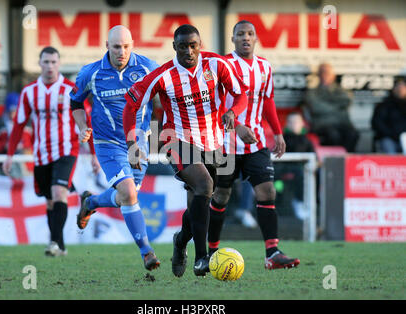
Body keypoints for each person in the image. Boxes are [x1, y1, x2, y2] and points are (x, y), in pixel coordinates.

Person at [123, 24, 249, 277]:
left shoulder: (217, 65)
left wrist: (233, 112)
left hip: (213, 142)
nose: (189, 51)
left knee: (199, 202)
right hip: (175, 139)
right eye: (183, 46)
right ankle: (203, 258)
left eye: (193, 46)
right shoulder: (163, 75)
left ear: (200, 45)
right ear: (174, 47)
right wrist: (132, 144)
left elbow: (241, 93)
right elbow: (131, 105)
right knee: (204, 185)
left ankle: (180, 241)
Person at [206, 20, 300, 270]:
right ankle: (211, 252)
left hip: (255, 143)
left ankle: (272, 252)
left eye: (250, 34)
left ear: (256, 38)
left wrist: (278, 133)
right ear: (233, 39)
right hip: (224, 143)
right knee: (221, 196)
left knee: (267, 191)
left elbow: (267, 100)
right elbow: (213, 105)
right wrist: (236, 126)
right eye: (240, 34)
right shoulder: (223, 65)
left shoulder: (264, 67)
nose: (245, 38)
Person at [70, 25, 161, 271]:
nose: (122, 52)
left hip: (138, 144)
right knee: (130, 194)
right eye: (116, 46)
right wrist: (82, 126)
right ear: (106, 46)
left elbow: (166, 96)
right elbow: (75, 101)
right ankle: (147, 252)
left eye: (126, 46)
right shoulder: (90, 73)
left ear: (132, 45)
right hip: (107, 143)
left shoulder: (148, 68)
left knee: (125, 197)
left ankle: (90, 203)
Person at [2, 46, 97, 257]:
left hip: (67, 150)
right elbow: (18, 125)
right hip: (41, 153)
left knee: (58, 192)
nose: (50, 66)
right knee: (50, 200)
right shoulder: (29, 92)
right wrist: (9, 156)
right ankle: (60, 246)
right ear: (39, 64)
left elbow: (87, 122)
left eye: (54, 62)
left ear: (59, 64)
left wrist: (93, 155)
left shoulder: (71, 89)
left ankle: (54, 242)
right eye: (46, 62)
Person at [303, 63, 359, 152]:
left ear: (333, 75)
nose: (325, 75)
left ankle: (346, 159)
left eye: (328, 72)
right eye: (322, 72)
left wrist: (326, 103)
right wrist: (336, 106)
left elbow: (347, 100)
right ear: (318, 75)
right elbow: (316, 107)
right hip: (322, 125)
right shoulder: (312, 92)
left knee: (353, 134)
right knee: (333, 135)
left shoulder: (340, 90)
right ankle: (334, 159)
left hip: (342, 124)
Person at [0, 92, 33, 176]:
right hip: (3, 165)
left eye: (16, 111)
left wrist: (25, 147)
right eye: (11, 111)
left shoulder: (29, 123)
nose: (13, 115)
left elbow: (39, 146)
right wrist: (4, 145)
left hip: (26, 167)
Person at [371, 78, 406, 154]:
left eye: (403, 87)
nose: (400, 89)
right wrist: (392, 134)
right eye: (398, 86)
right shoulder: (384, 105)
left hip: (404, 138)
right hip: (389, 137)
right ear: (393, 89)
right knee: (388, 147)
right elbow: (377, 123)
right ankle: (392, 165)